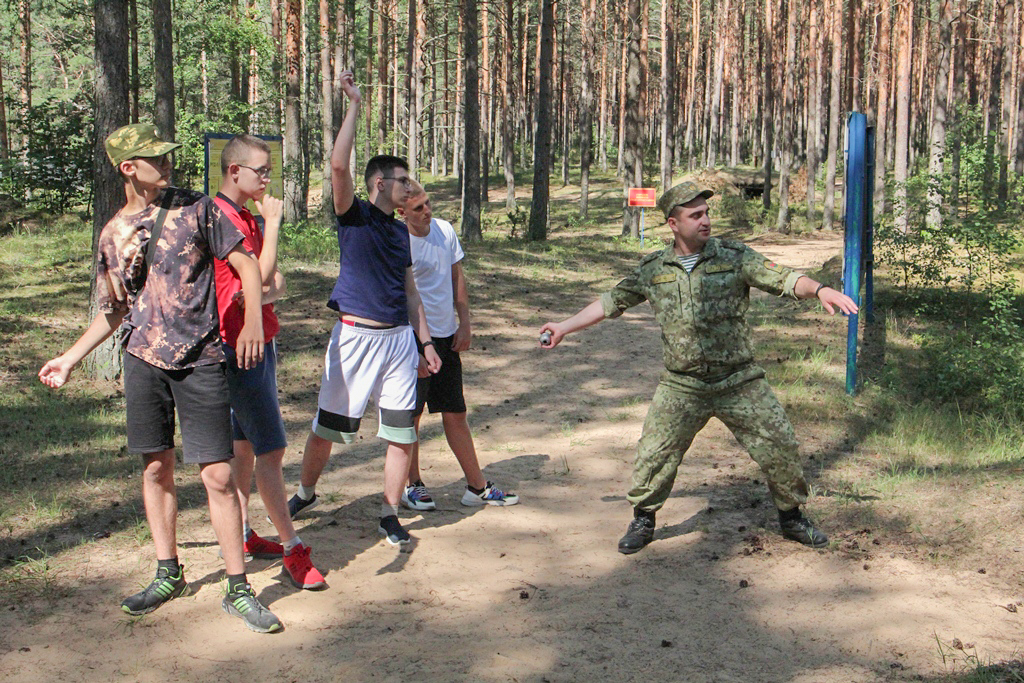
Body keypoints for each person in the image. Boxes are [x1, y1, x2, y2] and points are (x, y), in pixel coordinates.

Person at [38, 123, 283, 632]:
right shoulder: (112, 234)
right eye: (154, 158)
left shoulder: (198, 208)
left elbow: (248, 267)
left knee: (216, 474)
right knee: (155, 469)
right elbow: (113, 311)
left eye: (167, 155)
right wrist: (69, 358)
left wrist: (254, 322)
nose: (166, 163)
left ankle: (238, 588)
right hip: (144, 361)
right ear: (128, 169)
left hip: (201, 359)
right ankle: (167, 571)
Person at [539, 181, 858, 555]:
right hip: (683, 385)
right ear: (674, 224)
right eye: (695, 215)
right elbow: (611, 302)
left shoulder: (734, 256)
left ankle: (792, 517)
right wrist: (563, 326)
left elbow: (785, 278)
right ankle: (644, 518)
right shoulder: (654, 268)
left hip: (738, 379)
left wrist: (819, 289)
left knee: (780, 445)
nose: (705, 221)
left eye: (706, 213)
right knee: (654, 454)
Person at [286, 71, 442, 546]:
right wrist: (354, 103)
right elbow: (337, 166)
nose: (410, 189)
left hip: (398, 341)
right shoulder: (354, 217)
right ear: (379, 183)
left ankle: (389, 512)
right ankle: (306, 491)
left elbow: (411, 290)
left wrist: (426, 342)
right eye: (403, 181)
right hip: (354, 338)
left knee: (401, 433)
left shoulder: (401, 231)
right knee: (329, 430)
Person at [213, 134, 326, 590]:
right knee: (272, 450)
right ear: (234, 171)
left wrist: (264, 288)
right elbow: (257, 280)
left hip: (260, 341)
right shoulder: (224, 218)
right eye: (261, 170)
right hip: (240, 347)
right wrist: (274, 225)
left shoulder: (244, 215)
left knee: (245, 446)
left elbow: (273, 282)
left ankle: (241, 534)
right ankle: (293, 549)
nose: (267, 178)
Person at [397, 181, 519, 511]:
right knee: (412, 416)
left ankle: (476, 486)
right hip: (413, 340)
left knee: (455, 412)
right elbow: (400, 295)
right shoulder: (398, 240)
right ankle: (414, 485)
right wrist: (417, 345)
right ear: (401, 212)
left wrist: (464, 321)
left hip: (446, 335)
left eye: (428, 203)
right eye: (419, 208)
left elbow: (456, 278)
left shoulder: (445, 230)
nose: (427, 211)